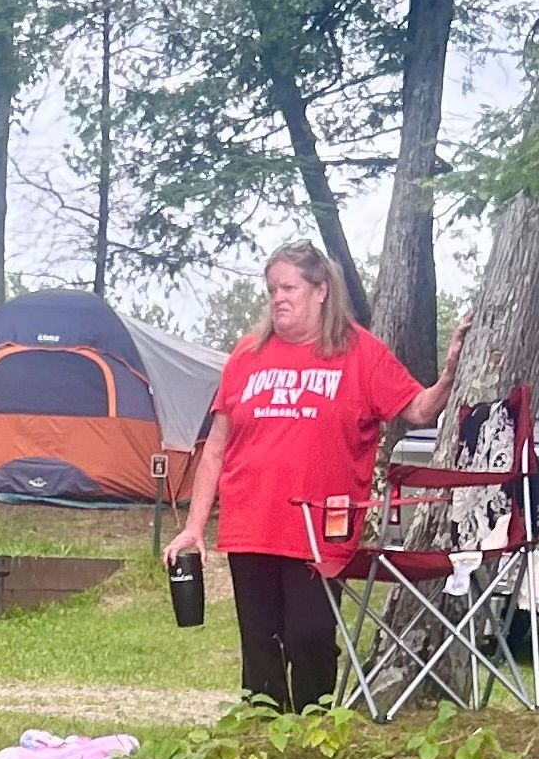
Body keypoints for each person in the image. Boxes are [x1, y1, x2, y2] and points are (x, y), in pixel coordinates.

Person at [162, 242, 470, 711]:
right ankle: (262, 740)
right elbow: (216, 448)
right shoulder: (248, 356)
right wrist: (193, 526)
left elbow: (420, 409)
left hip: (320, 525)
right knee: (260, 644)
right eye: (272, 290)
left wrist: (448, 374)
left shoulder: (360, 352)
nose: (277, 299)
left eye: (289, 288)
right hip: (251, 523)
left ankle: (314, 735)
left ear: (321, 290)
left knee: (309, 635)